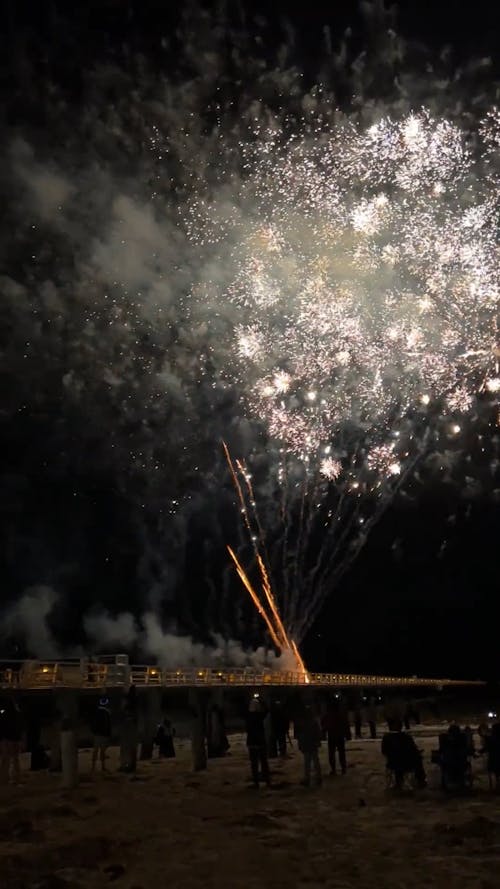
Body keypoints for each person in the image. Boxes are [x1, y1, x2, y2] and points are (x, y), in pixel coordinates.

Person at [382, 721, 426, 789]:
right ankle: (421, 779)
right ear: (401, 727)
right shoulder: (406, 737)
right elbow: (413, 749)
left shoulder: (386, 737)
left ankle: (398, 780)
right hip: (406, 762)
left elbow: (384, 751)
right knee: (418, 759)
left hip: (392, 762)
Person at [246, 696, 270, 788]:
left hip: (252, 743)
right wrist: (263, 702)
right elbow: (267, 711)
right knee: (264, 762)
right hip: (261, 742)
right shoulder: (260, 716)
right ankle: (267, 780)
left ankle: (256, 782)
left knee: (254, 764)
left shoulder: (248, 717)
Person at [297, 705, 322, 787]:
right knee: (315, 761)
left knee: (307, 762)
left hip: (307, 744)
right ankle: (318, 777)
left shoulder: (302, 723)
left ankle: (308, 778)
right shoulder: (313, 722)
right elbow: (318, 733)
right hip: (312, 744)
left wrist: (300, 744)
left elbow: (300, 735)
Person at [0, 698, 24, 785]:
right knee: (15, 760)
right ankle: (16, 778)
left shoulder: (4, 715)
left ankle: (4, 778)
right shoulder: (18, 715)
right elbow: (20, 728)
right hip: (15, 738)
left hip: (6, 738)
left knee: (5, 760)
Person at [322, 698, 348, 775]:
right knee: (341, 753)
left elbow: (324, 725)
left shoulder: (328, 716)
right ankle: (343, 768)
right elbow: (345, 725)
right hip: (339, 736)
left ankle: (334, 769)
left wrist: (323, 734)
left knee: (332, 754)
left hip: (332, 736)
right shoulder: (340, 715)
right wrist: (347, 734)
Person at [91, 697, 112, 772]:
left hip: (97, 734)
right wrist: (109, 735)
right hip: (103, 734)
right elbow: (108, 725)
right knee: (102, 751)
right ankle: (103, 766)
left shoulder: (96, 712)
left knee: (95, 750)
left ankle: (93, 767)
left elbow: (93, 723)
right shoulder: (107, 713)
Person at [485, 722, 500, 788]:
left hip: (493, 757)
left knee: (495, 770)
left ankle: (496, 782)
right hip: (495, 756)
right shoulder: (491, 738)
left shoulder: (491, 738)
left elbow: (487, 747)